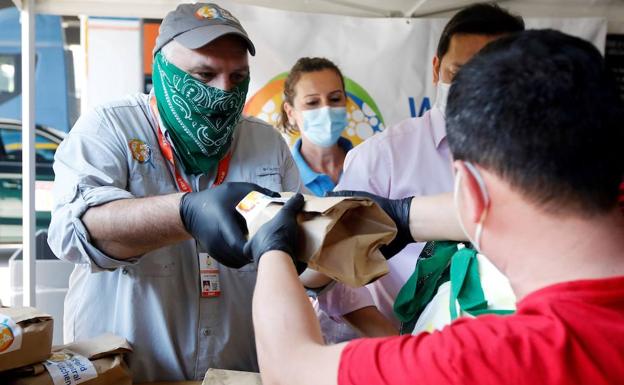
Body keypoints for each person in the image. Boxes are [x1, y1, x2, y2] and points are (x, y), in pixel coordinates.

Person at [248, 29, 624, 385]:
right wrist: (406, 217)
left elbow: (291, 369)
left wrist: (272, 249)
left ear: (470, 189)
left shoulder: (497, 355)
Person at [47, 3, 301, 382]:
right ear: (161, 68)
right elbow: (75, 234)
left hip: (237, 375)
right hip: (129, 377)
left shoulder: (265, 143)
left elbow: (299, 259)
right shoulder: (111, 127)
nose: (222, 91)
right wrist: (184, 213)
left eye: (237, 77)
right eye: (204, 74)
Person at [318, 3, 525, 333]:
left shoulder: (537, 160)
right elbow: (335, 275)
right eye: (457, 75)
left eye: (492, 78)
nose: (472, 90)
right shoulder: (383, 156)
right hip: (391, 350)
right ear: (435, 68)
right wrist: (396, 349)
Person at [279, 57, 352, 197]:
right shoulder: (280, 180)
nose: (326, 109)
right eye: (312, 102)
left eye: (335, 99)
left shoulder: (370, 164)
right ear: (291, 112)